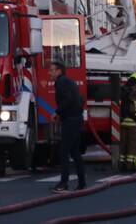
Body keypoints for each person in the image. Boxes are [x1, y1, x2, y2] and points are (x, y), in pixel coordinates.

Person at [50, 60, 86, 192]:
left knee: (64, 151)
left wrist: (57, 112)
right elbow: (79, 99)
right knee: (75, 152)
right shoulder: (69, 81)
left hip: (70, 121)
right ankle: (82, 183)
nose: (50, 73)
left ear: (58, 71)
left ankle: (63, 183)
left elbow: (68, 99)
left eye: (52, 70)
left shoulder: (61, 82)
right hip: (76, 119)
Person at [118, 75, 136, 172]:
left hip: (123, 121)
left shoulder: (123, 89)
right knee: (132, 144)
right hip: (133, 122)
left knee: (123, 144)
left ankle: (121, 164)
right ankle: (130, 165)